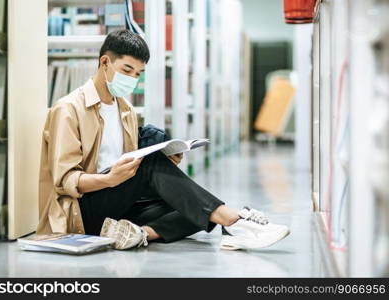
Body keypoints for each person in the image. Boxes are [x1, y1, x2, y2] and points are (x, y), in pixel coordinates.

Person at [36, 29, 290, 251]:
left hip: (117, 201)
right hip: (83, 210)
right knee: (159, 173)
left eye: (138, 73)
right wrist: (108, 179)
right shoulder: (68, 109)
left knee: (196, 209)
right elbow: (64, 180)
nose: (132, 79)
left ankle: (139, 234)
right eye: (127, 69)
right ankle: (235, 222)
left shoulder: (124, 108)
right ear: (105, 62)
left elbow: (126, 159)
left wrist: (165, 158)